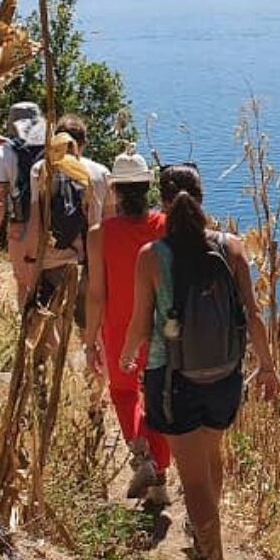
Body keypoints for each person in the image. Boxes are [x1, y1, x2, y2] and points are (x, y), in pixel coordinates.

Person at [120, 163, 280, 560]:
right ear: (202, 199)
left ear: (163, 204)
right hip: (225, 377)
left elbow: (140, 324)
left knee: (192, 479)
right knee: (212, 457)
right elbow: (254, 315)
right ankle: (204, 531)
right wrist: (266, 367)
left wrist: (125, 358)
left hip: (174, 381)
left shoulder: (153, 256)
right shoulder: (233, 247)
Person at [85, 150, 171, 504]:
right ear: (148, 188)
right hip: (161, 328)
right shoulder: (166, 226)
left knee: (123, 394)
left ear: (116, 190)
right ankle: (161, 484)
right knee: (158, 403)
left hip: (120, 328)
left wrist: (89, 341)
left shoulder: (98, 234)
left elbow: (95, 294)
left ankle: (142, 455)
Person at [25, 114, 111, 315]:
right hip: (89, 260)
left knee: (45, 317)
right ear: (84, 143)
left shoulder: (42, 169)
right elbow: (108, 222)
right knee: (88, 320)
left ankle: (54, 347)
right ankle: (89, 346)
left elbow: (35, 219)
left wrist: (30, 257)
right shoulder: (100, 172)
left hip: (51, 258)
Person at [0, 101, 45, 306]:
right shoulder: (55, 149)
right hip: (54, 227)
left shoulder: (3, 153)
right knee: (51, 288)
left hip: (22, 226)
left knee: (24, 285)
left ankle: (27, 333)